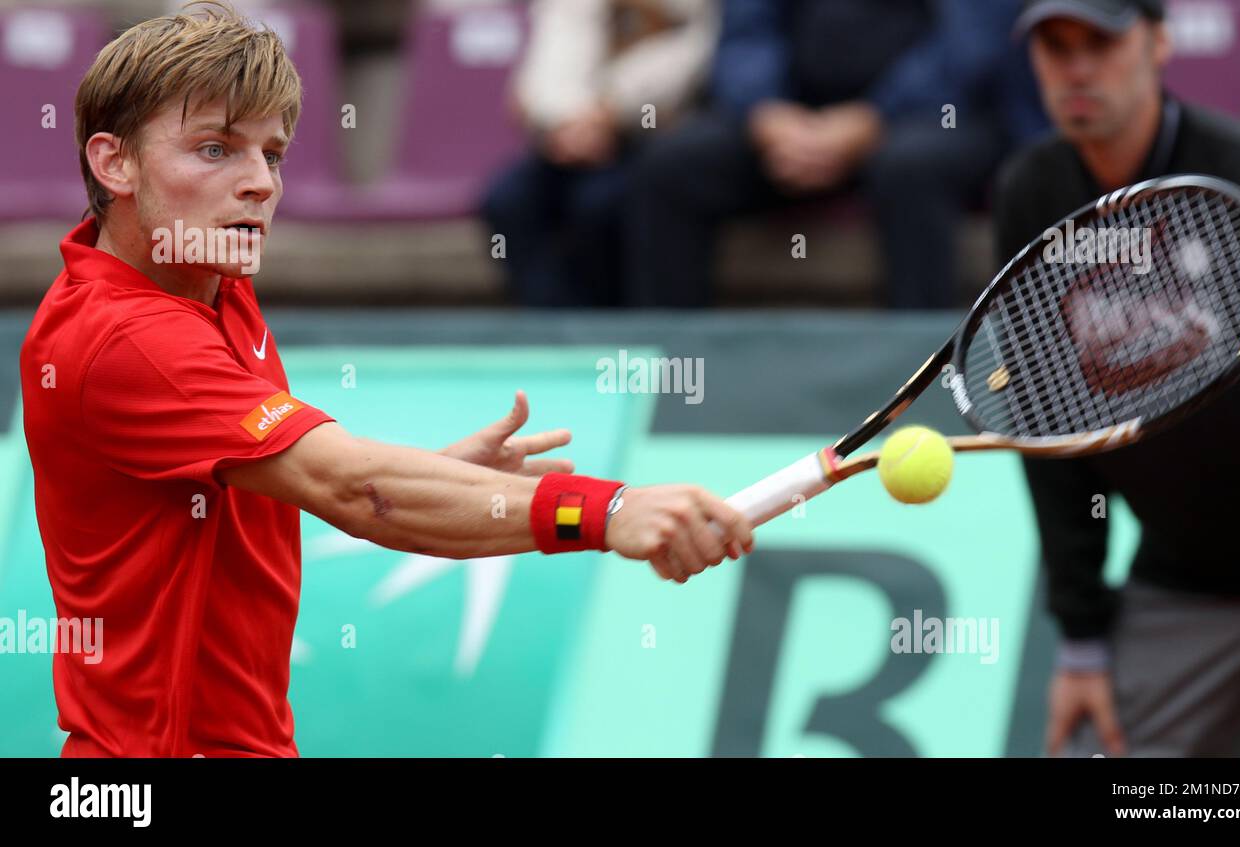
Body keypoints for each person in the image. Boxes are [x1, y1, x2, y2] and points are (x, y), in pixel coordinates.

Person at [19, 2, 753, 758]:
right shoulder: (127, 338)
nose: (258, 185)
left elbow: (264, 482)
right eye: (214, 149)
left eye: (270, 154)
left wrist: (435, 477)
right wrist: (603, 510)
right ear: (114, 163)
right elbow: (358, 489)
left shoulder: (205, 278)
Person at [995, 0, 1240, 756]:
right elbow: (1051, 438)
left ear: (1159, 42)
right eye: (1055, 47)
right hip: (1189, 581)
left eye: (1100, 41)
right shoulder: (1032, 198)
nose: (1076, 68)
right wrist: (1082, 639)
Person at [624, 0, 1048, 308]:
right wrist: (766, 112)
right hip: (791, 119)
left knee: (909, 168)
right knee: (671, 165)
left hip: (935, 114)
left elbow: (970, 44)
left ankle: (920, 384)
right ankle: (674, 378)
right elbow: (745, 32)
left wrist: (874, 117)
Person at [481, 0, 718, 306]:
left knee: (597, 205)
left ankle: (609, 331)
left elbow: (694, 55)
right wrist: (564, 119)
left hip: (652, 138)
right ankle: (554, 332)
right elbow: (550, 59)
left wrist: (614, 110)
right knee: (508, 199)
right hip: (568, 135)